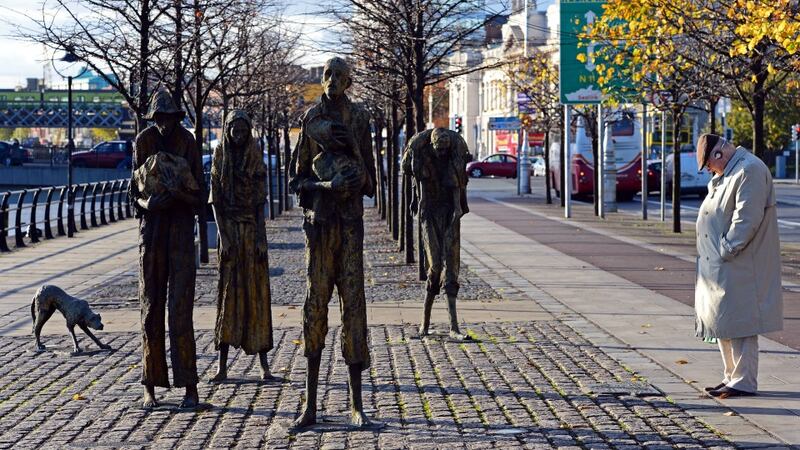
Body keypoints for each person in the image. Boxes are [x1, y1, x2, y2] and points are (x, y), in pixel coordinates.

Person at [288, 56, 378, 428]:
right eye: (328, 74)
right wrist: (326, 186)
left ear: (349, 82)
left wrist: (357, 177)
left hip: (351, 226)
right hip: (320, 226)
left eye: (340, 76)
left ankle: (357, 405)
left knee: (354, 307)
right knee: (315, 307)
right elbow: (297, 182)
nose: (332, 81)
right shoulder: (310, 120)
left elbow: (372, 181)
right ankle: (310, 406)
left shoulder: (359, 119)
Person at [695, 133, 783, 399]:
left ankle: (743, 380)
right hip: (722, 264)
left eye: (709, 165)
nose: (709, 170)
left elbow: (747, 218)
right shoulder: (728, 174)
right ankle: (731, 376)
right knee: (724, 321)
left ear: (719, 154)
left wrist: (726, 249)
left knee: (742, 323)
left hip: (741, 262)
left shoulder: (749, 170)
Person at [131, 88, 202, 409]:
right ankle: (150, 384)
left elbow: (200, 196)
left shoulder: (188, 142)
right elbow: (132, 193)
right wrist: (150, 202)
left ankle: (189, 386)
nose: (164, 124)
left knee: (181, 311)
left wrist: (178, 195)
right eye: (159, 118)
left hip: (181, 234)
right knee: (150, 309)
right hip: (152, 234)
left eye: (169, 118)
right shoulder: (142, 142)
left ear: (176, 118)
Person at [208, 110, 274, 382]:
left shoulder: (254, 155)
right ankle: (222, 364)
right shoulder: (220, 156)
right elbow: (216, 203)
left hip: (250, 232)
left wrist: (261, 237)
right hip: (231, 236)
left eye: (243, 130)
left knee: (257, 297)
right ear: (228, 130)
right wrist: (223, 238)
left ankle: (263, 364)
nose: (239, 135)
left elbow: (260, 202)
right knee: (228, 296)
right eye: (234, 129)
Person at [402, 128, 471, 340]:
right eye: (438, 149)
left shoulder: (453, 161)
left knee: (452, 267)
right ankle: (424, 324)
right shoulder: (423, 160)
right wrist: (420, 208)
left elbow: (458, 189)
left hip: (449, 215)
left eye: (445, 149)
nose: (442, 153)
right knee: (435, 267)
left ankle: (454, 327)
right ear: (432, 146)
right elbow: (419, 191)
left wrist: (457, 211)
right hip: (430, 216)